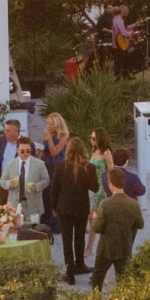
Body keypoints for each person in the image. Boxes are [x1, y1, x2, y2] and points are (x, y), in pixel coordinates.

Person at [51, 137, 99, 284]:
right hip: (81, 207)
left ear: (68, 150)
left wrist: (54, 207)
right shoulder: (89, 167)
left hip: (64, 208)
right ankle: (80, 264)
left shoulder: (60, 166)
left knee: (67, 239)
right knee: (79, 237)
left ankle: (69, 272)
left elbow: (54, 190)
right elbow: (95, 188)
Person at [90, 168, 144, 291]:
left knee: (98, 278)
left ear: (110, 183)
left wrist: (95, 217)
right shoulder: (134, 204)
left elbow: (96, 228)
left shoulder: (105, 204)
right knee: (123, 281)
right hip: (124, 246)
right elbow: (140, 224)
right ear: (124, 182)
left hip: (106, 248)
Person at [0, 135, 49, 218]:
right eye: (22, 151)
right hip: (14, 206)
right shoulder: (10, 164)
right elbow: (2, 181)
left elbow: (46, 180)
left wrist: (37, 186)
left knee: (33, 229)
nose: (25, 153)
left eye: (28, 151)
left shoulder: (39, 164)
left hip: (34, 205)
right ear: (17, 151)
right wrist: (9, 184)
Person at [85, 128, 114, 258]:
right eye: (91, 138)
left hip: (101, 187)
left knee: (93, 217)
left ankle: (89, 247)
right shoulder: (94, 150)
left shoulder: (106, 153)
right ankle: (92, 244)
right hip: (92, 185)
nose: (91, 140)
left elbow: (111, 171)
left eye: (94, 138)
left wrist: (109, 189)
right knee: (91, 217)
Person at [41, 112, 69, 230]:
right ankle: (46, 220)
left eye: (51, 124)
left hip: (57, 167)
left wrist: (49, 139)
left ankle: (56, 223)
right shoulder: (47, 134)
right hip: (46, 166)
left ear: (57, 124)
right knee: (46, 193)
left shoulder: (63, 136)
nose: (49, 126)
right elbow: (46, 150)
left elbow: (55, 152)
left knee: (55, 193)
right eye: (48, 123)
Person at [0, 118, 21, 205]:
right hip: (4, 181)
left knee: (16, 210)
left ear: (16, 131)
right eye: (5, 130)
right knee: (2, 209)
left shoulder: (25, 143)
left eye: (8, 130)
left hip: (17, 184)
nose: (5, 132)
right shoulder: (3, 141)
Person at [111, 5, 138, 77]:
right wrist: (131, 33)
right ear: (124, 12)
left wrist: (134, 25)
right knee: (124, 57)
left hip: (118, 40)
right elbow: (123, 32)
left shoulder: (115, 18)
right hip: (121, 40)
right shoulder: (119, 20)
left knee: (122, 58)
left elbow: (122, 28)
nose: (128, 14)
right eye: (127, 12)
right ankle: (123, 75)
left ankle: (122, 75)